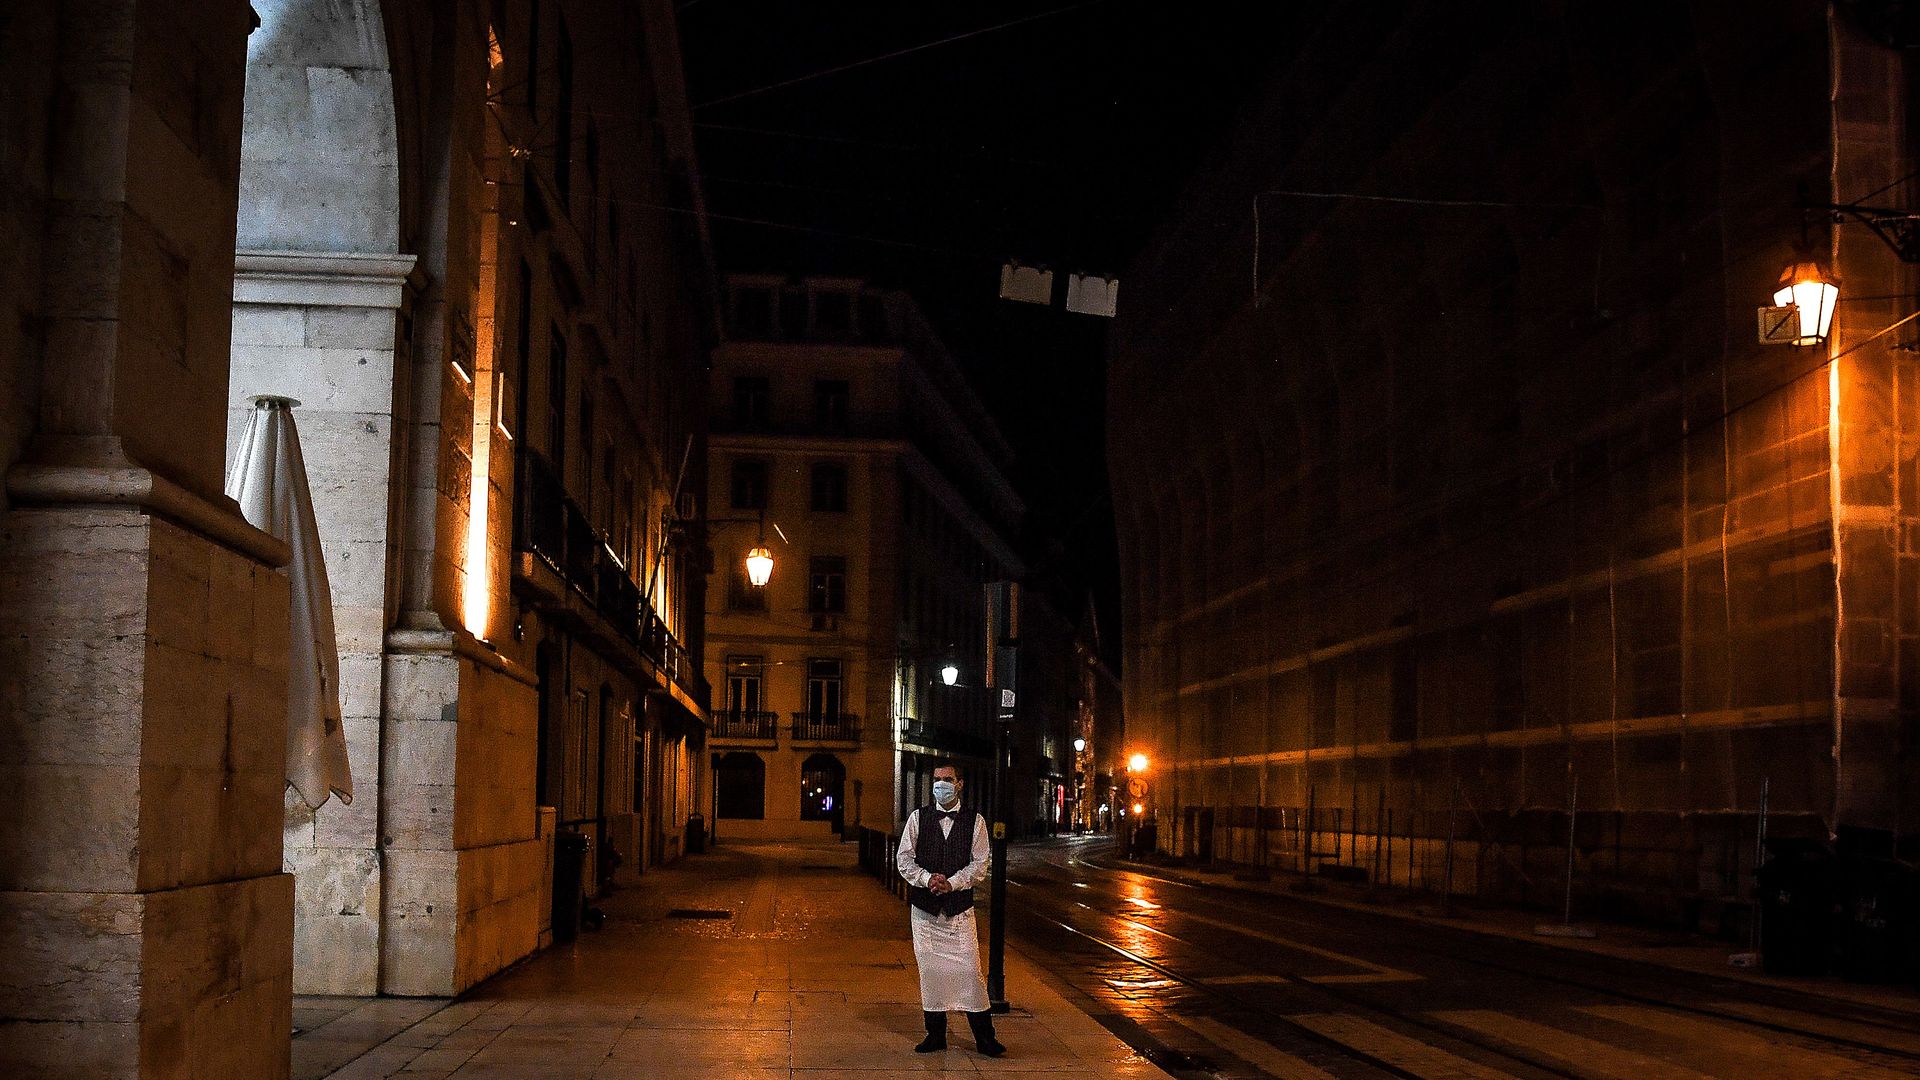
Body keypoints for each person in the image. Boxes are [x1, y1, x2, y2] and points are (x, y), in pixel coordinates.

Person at [895, 761, 1006, 1057]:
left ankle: (985, 1037)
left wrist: (953, 883)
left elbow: (980, 864)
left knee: (970, 971)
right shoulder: (918, 818)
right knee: (930, 972)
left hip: (959, 912)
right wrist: (927, 878)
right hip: (925, 912)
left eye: (947, 779)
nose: (941, 784)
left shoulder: (976, 821)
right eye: (937, 779)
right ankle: (935, 1034)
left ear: (959, 784)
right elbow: (904, 858)